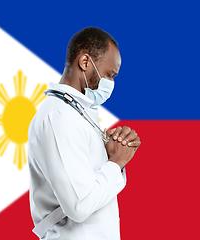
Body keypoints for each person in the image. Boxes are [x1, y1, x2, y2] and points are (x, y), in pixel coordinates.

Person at [27, 27, 141, 240]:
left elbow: (89, 189)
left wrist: (110, 157)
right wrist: (116, 162)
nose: (111, 84)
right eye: (109, 75)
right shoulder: (58, 117)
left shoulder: (75, 112)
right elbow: (79, 206)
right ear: (85, 62)